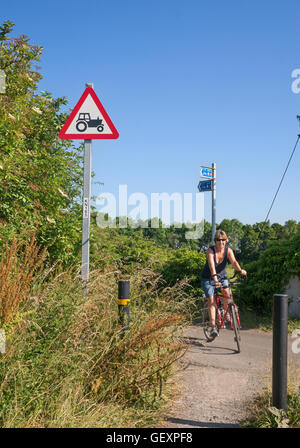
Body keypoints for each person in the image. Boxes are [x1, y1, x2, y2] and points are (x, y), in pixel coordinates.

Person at [201, 230, 247, 340]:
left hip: (222, 276)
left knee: (227, 293)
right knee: (212, 301)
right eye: (218, 240)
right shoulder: (210, 251)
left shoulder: (228, 250)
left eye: (223, 240)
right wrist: (215, 279)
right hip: (208, 278)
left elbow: (234, 262)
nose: (220, 242)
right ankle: (213, 328)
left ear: (226, 240)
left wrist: (240, 270)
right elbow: (212, 266)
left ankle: (227, 313)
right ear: (215, 241)